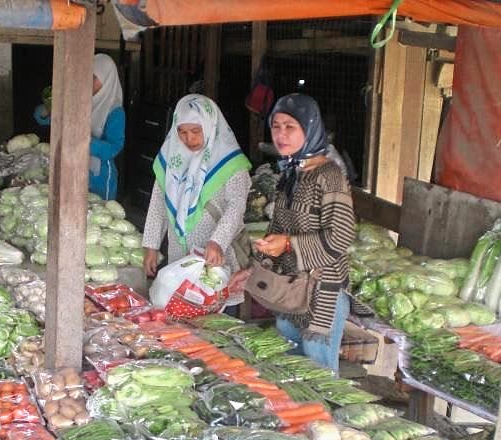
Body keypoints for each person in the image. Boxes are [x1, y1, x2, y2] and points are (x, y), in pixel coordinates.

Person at [229, 94, 356, 372]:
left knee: (318, 378)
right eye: (276, 126)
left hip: (321, 296)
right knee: (291, 373)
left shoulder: (329, 176)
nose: (281, 134)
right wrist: (252, 270)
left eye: (290, 127)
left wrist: (288, 244)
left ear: (310, 129)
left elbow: (340, 236)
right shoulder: (292, 172)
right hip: (290, 292)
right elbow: (277, 229)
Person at [142, 94, 252, 311]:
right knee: (181, 314)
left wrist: (217, 241)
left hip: (216, 261)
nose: (188, 139)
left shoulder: (232, 164)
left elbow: (236, 206)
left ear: (211, 126)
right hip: (179, 258)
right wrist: (151, 246)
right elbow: (158, 204)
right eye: (182, 132)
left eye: (195, 131)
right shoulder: (171, 160)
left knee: (216, 316)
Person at [34, 53, 125, 200]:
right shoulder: (80, 101)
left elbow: (114, 147)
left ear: (107, 80)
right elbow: (50, 119)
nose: (89, 81)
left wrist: (85, 141)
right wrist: (47, 111)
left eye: (94, 78)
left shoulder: (115, 112)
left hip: (100, 176)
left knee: (98, 210)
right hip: (74, 168)